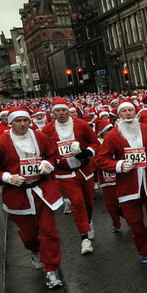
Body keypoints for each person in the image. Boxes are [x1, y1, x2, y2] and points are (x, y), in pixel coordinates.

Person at [0, 106, 63, 288]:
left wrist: (48, 164)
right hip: (18, 197)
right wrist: (7, 177)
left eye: (26, 120)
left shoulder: (40, 137)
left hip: (43, 192)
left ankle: (51, 270)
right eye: (18, 121)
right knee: (29, 236)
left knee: (49, 232)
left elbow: (52, 155)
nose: (23, 124)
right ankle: (34, 250)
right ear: (10, 123)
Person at [95, 99, 147, 263]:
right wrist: (119, 165)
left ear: (135, 112)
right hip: (128, 187)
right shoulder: (113, 135)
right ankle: (143, 250)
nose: (128, 114)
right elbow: (101, 159)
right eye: (124, 111)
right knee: (135, 223)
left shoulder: (146, 130)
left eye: (130, 110)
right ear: (118, 115)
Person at [42, 97, 99, 255]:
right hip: (65, 174)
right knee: (77, 203)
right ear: (53, 114)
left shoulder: (81, 125)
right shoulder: (47, 130)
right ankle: (84, 239)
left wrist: (87, 152)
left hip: (85, 170)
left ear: (68, 111)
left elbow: (95, 142)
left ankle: (88, 221)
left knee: (88, 202)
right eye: (57, 111)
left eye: (63, 110)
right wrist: (49, 163)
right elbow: (44, 151)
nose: (61, 113)